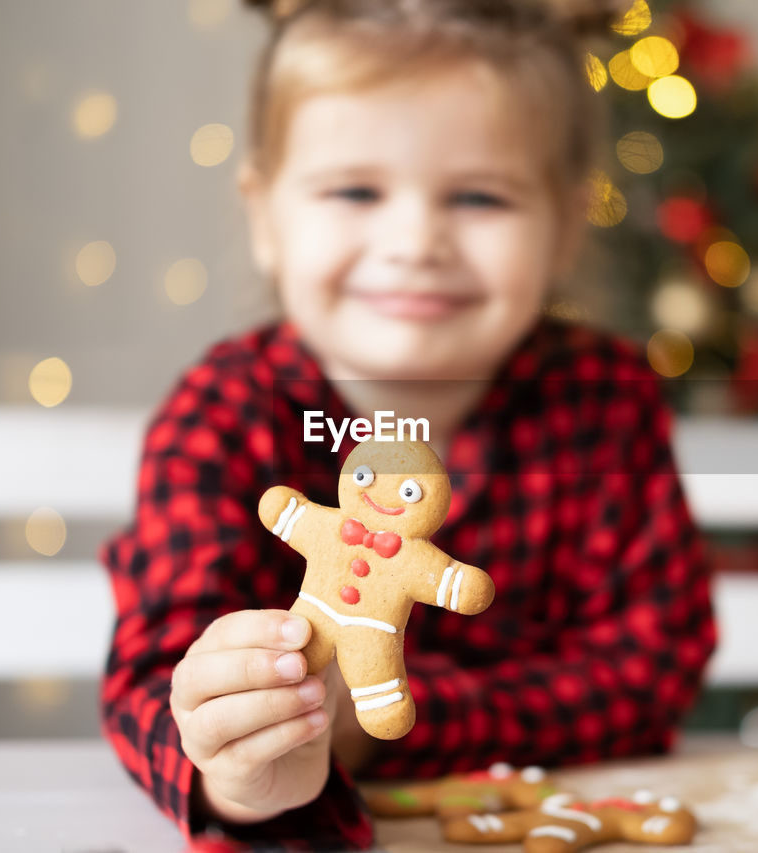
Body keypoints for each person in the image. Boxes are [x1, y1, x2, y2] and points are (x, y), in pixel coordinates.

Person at [99, 0, 717, 847]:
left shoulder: (604, 404)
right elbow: (154, 669)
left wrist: (391, 718)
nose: (415, 239)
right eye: (355, 189)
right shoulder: (222, 413)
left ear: (568, 224)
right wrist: (244, 767)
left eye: (479, 197)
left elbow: (648, 668)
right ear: (264, 215)